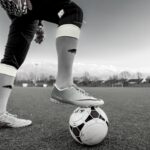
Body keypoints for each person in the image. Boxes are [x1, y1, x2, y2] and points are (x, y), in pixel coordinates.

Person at [0, 0, 104, 128]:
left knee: (12, 59)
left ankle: (0, 114)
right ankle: (64, 86)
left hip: (23, 14)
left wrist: (38, 25)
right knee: (71, 12)